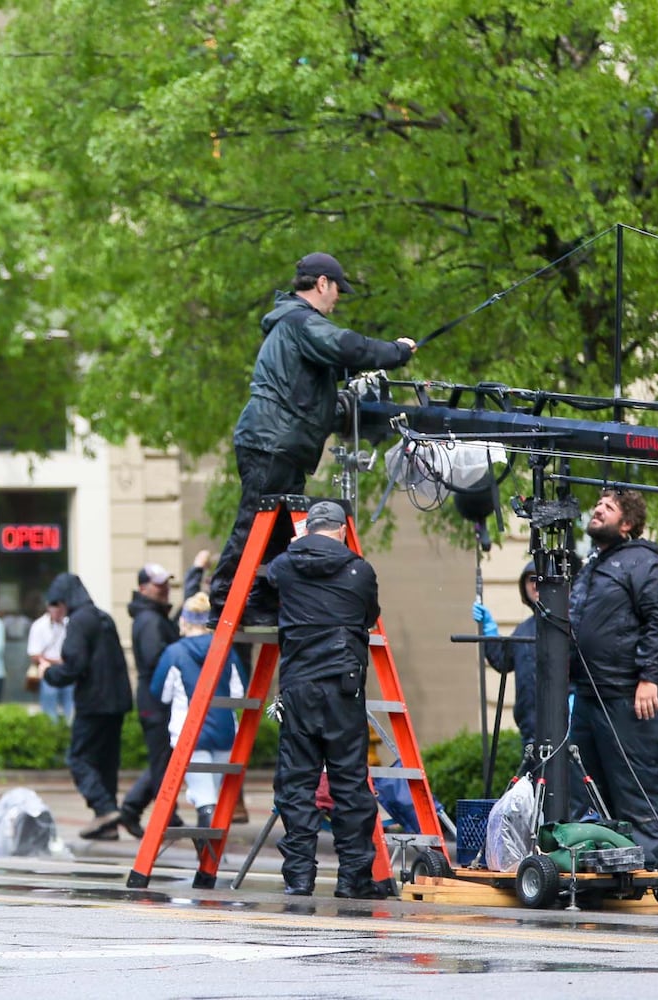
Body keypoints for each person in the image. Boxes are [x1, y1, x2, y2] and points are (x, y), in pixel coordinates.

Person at [209, 252, 416, 626]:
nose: (338, 298)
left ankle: (262, 603)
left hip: (281, 444)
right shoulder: (302, 322)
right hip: (271, 443)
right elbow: (347, 347)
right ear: (322, 283)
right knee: (253, 523)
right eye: (337, 289)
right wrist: (396, 351)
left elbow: (328, 373)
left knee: (278, 531)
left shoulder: (294, 328)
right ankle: (225, 599)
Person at [267, 501, 385, 898]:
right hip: (342, 685)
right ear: (341, 530)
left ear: (309, 529)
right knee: (349, 784)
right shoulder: (358, 570)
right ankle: (353, 879)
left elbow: (265, 594)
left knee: (296, 784)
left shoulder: (284, 565)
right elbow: (369, 614)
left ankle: (299, 878)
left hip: (298, 686)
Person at [569, 489, 658, 866]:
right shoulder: (593, 565)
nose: (597, 510)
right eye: (597, 504)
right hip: (587, 695)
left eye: (608, 507)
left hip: (625, 696)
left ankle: (647, 865)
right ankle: (602, 860)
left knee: (636, 785)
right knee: (586, 786)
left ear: (627, 523)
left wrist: (648, 678)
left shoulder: (643, 564)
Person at [42, 572, 132, 840]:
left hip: (93, 701)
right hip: (116, 701)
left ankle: (104, 809)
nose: (55, 611)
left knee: (79, 758)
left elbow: (74, 665)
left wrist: (47, 672)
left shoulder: (79, 621)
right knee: (106, 761)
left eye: (56, 604)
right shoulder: (103, 617)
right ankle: (108, 824)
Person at [151, 592, 246, 835]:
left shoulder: (174, 653)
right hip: (225, 732)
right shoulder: (226, 650)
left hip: (189, 733)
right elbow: (239, 693)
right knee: (212, 792)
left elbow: (160, 694)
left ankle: (206, 860)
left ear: (184, 621)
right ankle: (212, 856)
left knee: (205, 799)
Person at [119, 563, 180, 839]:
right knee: (162, 758)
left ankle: (132, 808)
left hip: (155, 697)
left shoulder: (153, 617)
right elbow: (158, 661)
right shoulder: (150, 620)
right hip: (156, 699)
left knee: (164, 756)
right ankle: (167, 813)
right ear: (143, 588)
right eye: (158, 584)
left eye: (166, 583)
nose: (165, 589)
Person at [472, 563, 539, 747]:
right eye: (529, 580)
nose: (534, 585)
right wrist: (489, 630)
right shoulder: (523, 630)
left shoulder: (568, 626)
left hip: (565, 730)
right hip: (530, 731)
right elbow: (503, 661)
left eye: (539, 579)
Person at [27, 599, 73, 721]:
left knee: (71, 708)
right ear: (48, 607)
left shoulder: (69, 623)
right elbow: (34, 654)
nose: (58, 611)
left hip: (68, 670)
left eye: (60, 607)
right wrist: (56, 662)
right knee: (49, 711)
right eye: (55, 607)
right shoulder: (39, 625)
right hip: (49, 670)